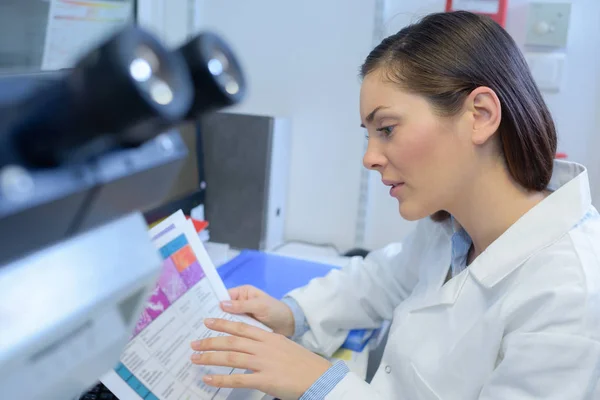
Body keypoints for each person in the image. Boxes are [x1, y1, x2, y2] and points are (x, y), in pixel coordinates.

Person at [189, 11, 600, 399]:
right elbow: (383, 278)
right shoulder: (454, 227)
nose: (369, 157)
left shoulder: (569, 294)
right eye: (369, 134)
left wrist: (319, 382)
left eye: (386, 128)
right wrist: (292, 313)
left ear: (480, 114)